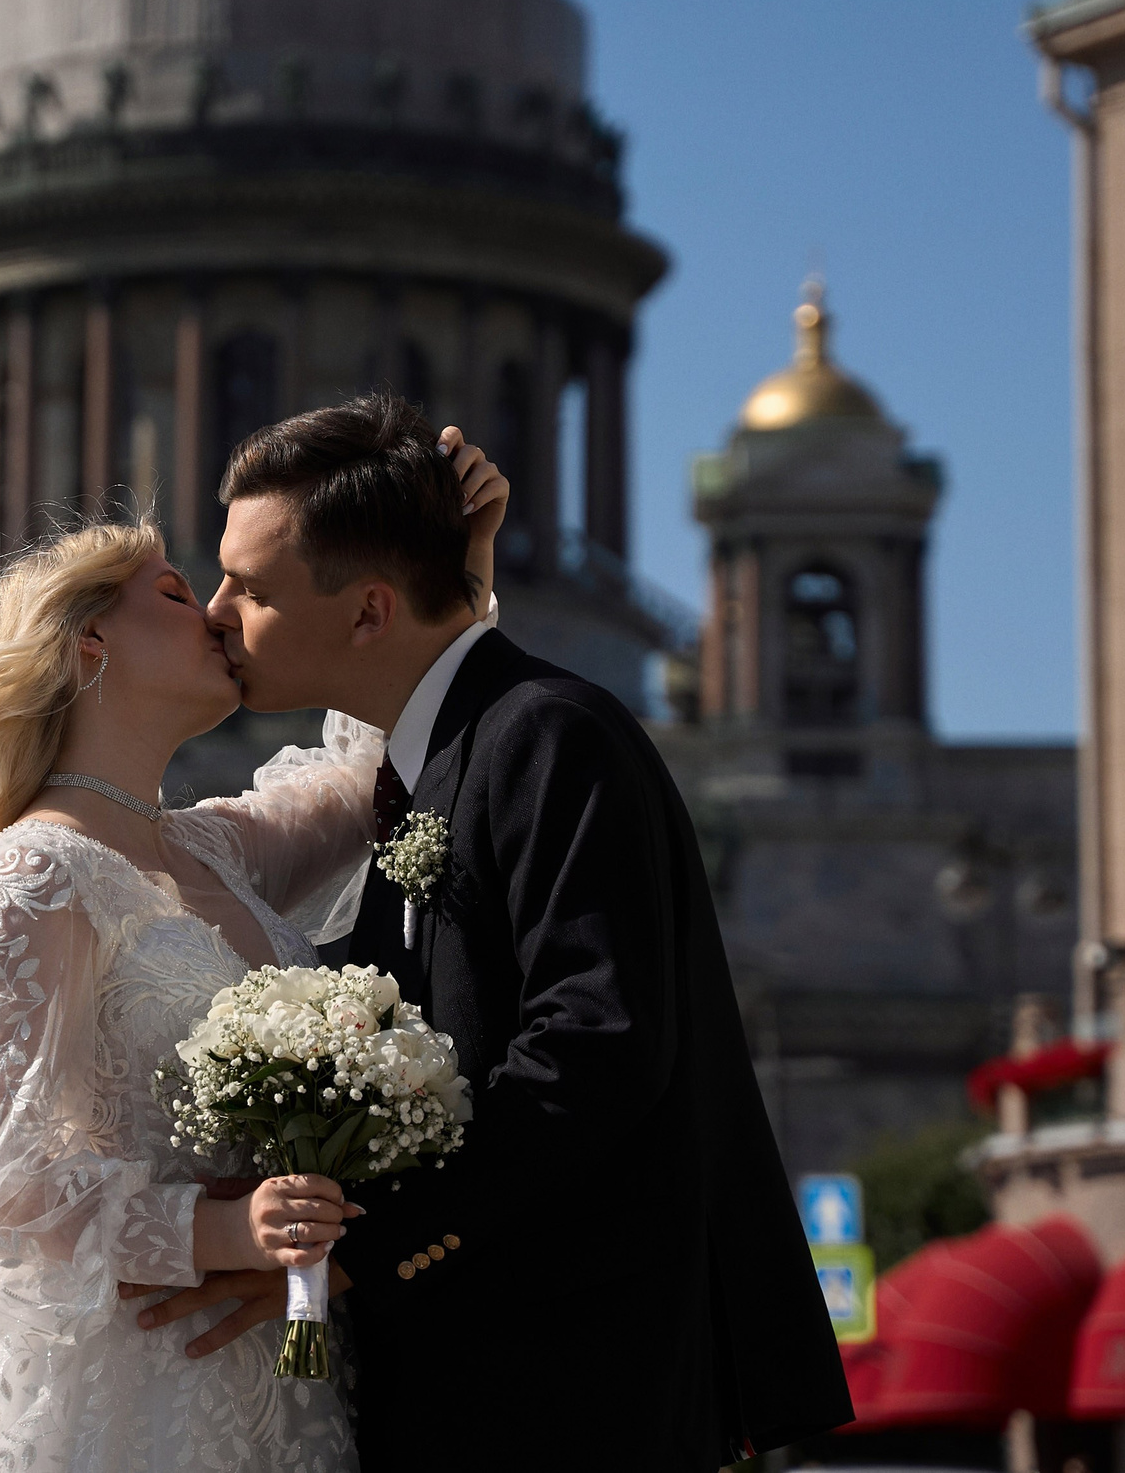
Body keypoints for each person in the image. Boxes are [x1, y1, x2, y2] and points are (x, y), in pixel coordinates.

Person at [132, 393, 853, 1467]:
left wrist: (367, 1247)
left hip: (566, 1387)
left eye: (254, 587)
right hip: (481, 1372)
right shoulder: (431, 757)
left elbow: (594, 1048)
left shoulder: (549, 737)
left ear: (368, 614)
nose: (219, 612)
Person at [0, 429, 510, 1472]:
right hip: (115, 1394)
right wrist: (224, 1234)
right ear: (90, 643)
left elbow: (368, 775)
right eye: (175, 593)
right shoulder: (29, 876)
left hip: (275, 1380)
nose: (217, 612)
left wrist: (450, 568)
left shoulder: (208, 847)